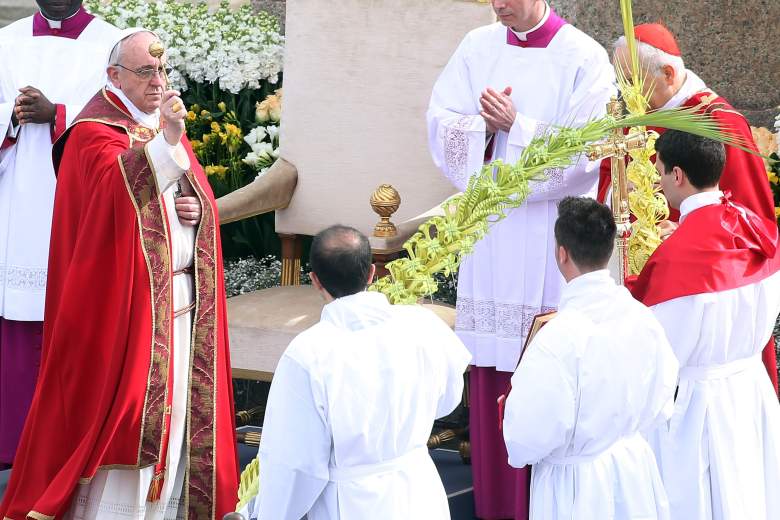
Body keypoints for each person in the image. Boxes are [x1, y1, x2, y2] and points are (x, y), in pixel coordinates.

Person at [0, 30, 238, 519]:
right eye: (145, 72)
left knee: (171, 422)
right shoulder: (91, 132)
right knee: (125, 414)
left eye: (163, 71)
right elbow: (117, 192)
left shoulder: (157, 126)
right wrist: (170, 142)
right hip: (120, 312)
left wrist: (193, 211)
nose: (158, 82)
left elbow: (188, 198)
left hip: (174, 303)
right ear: (114, 76)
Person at [426, 1, 615, 517]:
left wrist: (517, 124)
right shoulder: (476, 46)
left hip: (553, 236)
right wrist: (482, 132)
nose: (498, 5)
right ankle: (494, 505)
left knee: (547, 369)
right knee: (492, 370)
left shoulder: (584, 58)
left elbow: (589, 155)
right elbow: (440, 123)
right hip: (492, 235)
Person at [241, 225, 472, 520]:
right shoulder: (422, 325)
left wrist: (267, 514)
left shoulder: (308, 352)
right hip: (418, 492)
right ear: (372, 273)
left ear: (314, 281)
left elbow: (297, 464)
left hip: (350, 502)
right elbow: (448, 401)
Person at [603, 23, 778, 394]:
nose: (625, 93)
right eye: (621, 81)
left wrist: (688, 234)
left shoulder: (720, 124)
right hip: (634, 279)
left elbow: (754, 226)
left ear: (667, 73)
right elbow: (608, 178)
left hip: (700, 300)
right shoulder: (635, 116)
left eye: (633, 81)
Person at [631, 130, 780, 520]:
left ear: (678, 175)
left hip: (701, 406)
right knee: (753, 492)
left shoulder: (678, 258)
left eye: (661, 174)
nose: (660, 184)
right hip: (750, 387)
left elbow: (660, 353)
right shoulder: (754, 227)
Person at [502, 196, 678, 519]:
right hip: (632, 470)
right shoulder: (642, 318)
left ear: (561, 254)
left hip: (576, 489)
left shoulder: (555, 340)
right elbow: (663, 398)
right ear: (610, 248)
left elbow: (524, 439)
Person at [0, 0, 121, 469]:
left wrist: (58, 113)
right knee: (15, 311)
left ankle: (68, 444)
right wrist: (11, 114)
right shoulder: (7, 41)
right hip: (15, 199)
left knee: (74, 312)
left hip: (78, 198)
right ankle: (12, 441)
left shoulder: (111, 43)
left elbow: (127, 123)